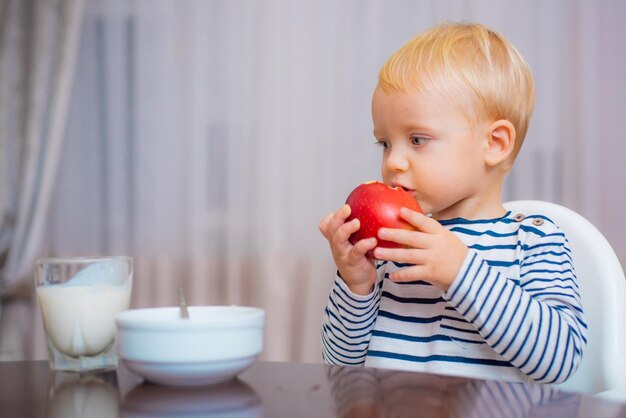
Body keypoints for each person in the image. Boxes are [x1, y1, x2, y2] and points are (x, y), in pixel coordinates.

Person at [319, 22, 587, 384]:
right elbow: (339, 363)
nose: (393, 162)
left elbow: (560, 360)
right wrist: (357, 286)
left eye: (417, 139)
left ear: (494, 143)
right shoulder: (395, 245)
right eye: (385, 143)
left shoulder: (535, 240)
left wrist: (461, 272)